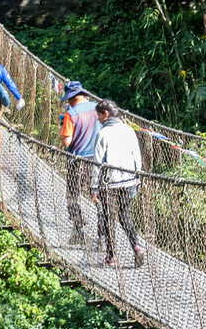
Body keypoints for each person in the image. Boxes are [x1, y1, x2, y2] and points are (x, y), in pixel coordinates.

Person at [92, 99, 145, 268]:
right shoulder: (129, 130)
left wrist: (94, 187)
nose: (98, 119)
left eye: (99, 115)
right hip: (129, 181)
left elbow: (97, 163)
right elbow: (137, 156)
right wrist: (138, 178)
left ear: (105, 114)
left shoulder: (103, 134)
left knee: (109, 217)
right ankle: (136, 246)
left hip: (110, 183)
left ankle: (112, 256)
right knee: (124, 214)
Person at [59, 81, 99, 246]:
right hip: (99, 161)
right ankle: (103, 237)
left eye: (68, 99)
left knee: (73, 195)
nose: (67, 102)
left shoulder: (71, 114)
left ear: (72, 98)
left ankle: (78, 231)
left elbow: (67, 141)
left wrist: (62, 128)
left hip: (78, 162)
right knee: (99, 197)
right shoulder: (99, 108)